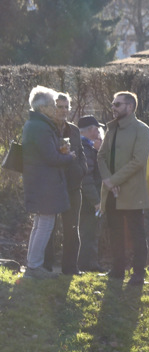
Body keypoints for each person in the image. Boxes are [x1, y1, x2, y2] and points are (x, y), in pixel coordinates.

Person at [98, 91, 149, 286]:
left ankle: (138, 273)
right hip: (111, 191)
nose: (113, 107)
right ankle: (117, 270)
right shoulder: (111, 129)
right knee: (114, 231)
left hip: (131, 192)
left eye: (117, 104)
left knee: (137, 233)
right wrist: (108, 181)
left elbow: (138, 161)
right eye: (113, 104)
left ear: (130, 107)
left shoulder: (142, 130)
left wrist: (114, 181)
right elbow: (101, 157)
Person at [21, 86, 74, 278]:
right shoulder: (41, 127)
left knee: (40, 223)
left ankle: (33, 264)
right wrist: (70, 157)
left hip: (39, 182)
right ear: (43, 108)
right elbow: (51, 158)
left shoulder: (35, 124)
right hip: (45, 184)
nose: (56, 108)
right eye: (52, 105)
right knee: (45, 224)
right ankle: (35, 267)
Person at [44, 92, 87, 275]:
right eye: (58, 107)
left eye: (65, 107)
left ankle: (70, 267)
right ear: (52, 108)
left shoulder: (74, 130)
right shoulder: (46, 128)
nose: (62, 110)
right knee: (48, 228)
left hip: (72, 185)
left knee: (72, 228)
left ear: (69, 109)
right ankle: (45, 266)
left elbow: (81, 153)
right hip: (51, 186)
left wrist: (82, 170)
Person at [77, 115, 104, 272]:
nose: (98, 131)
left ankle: (86, 263)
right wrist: (96, 201)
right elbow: (87, 178)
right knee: (90, 231)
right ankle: (89, 264)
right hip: (88, 199)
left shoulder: (86, 147)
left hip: (84, 198)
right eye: (97, 128)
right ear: (91, 129)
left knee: (87, 231)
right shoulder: (85, 149)